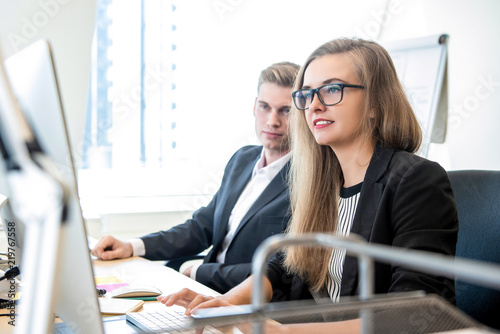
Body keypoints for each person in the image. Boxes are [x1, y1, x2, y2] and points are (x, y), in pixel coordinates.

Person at [157, 38, 459, 332]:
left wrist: (285, 333)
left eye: (331, 89)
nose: (313, 105)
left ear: (375, 105)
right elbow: (286, 265)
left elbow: (416, 312)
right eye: (306, 94)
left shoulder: (416, 180)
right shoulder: (321, 181)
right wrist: (224, 305)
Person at [91, 61, 300, 293]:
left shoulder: (306, 181)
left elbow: (283, 271)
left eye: (286, 110)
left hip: (241, 299)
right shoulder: (243, 159)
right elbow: (202, 228)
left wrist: (198, 272)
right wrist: (132, 246)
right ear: (254, 106)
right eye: (264, 107)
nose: (272, 121)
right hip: (202, 289)